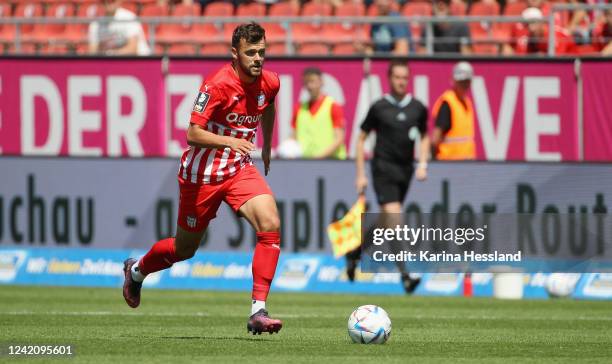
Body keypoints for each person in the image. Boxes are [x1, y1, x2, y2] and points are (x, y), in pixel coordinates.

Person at [122, 23, 284, 335]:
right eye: (251, 53)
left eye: (262, 52)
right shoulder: (217, 84)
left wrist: (267, 145)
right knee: (184, 250)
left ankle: (258, 310)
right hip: (202, 175)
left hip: (238, 168)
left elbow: (269, 106)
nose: (258, 58)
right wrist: (229, 142)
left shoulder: (270, 82)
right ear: (234, 53)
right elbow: (192, 133)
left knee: (271, 225)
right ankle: (137, 271)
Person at [352, 60, 430, 293]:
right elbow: (360, 140)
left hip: (404, 170)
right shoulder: (379, 107)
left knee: (386, 221)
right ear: (389, 78)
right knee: (395, 219)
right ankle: (406, 275)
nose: (401, 81)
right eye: (397, 77)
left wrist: (423, 162)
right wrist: (360, 174)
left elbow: (425, 136)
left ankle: (355, 252)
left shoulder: (418, 107)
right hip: (382, 168)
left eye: (405, 77)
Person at [290, 67, 346, 159]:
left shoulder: (333, 106)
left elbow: (339, 139)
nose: (309, 86)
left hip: (332, 162)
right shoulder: (299, 108)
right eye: (306, 82)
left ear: (321, 81)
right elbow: (294, 137)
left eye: (312, 81)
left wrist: (318, 158)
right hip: (306, 163)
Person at [430, 61, 476, 160]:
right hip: (449, 164)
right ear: (454, 81)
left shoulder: (467, 102)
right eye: (461, 81)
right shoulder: (447, 103)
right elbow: (435, 139)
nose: (464, 85)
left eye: (467, 81)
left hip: (466, 164)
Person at [502, 7, 574, 55]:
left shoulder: (554, 35)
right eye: (527, 24)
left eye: (533, 23)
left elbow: (557, 62)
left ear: (541, 22)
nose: (530, 27)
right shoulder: (530, 38)